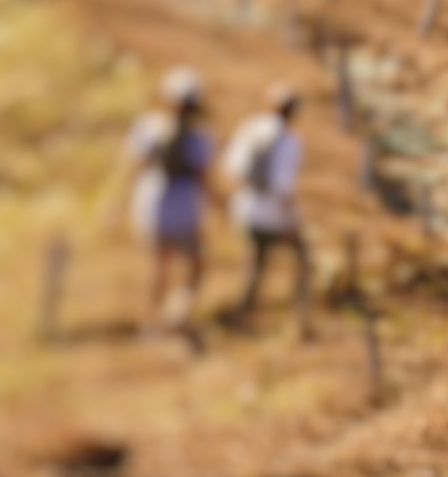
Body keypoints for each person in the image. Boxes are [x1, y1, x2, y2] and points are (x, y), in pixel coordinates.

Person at [120, 67, 216, 335]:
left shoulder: (149, 127)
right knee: (196, 264)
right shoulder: (199, 137)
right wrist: (218, 206)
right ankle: (176, 313)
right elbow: (203, 177)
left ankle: (155, 318)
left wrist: (119, 205)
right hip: (184, 208)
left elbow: (134, 166)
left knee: (159, 266)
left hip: (151, 204)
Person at [222, 84, 312, 330]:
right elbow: (284, 187)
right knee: (302, 261)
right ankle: (299, 320)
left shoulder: (250, 128)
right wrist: (291, 221)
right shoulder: (289, 142)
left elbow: (232, 168)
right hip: (272, 213)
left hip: (246, 207)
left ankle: (243, 312)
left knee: (256, 263)